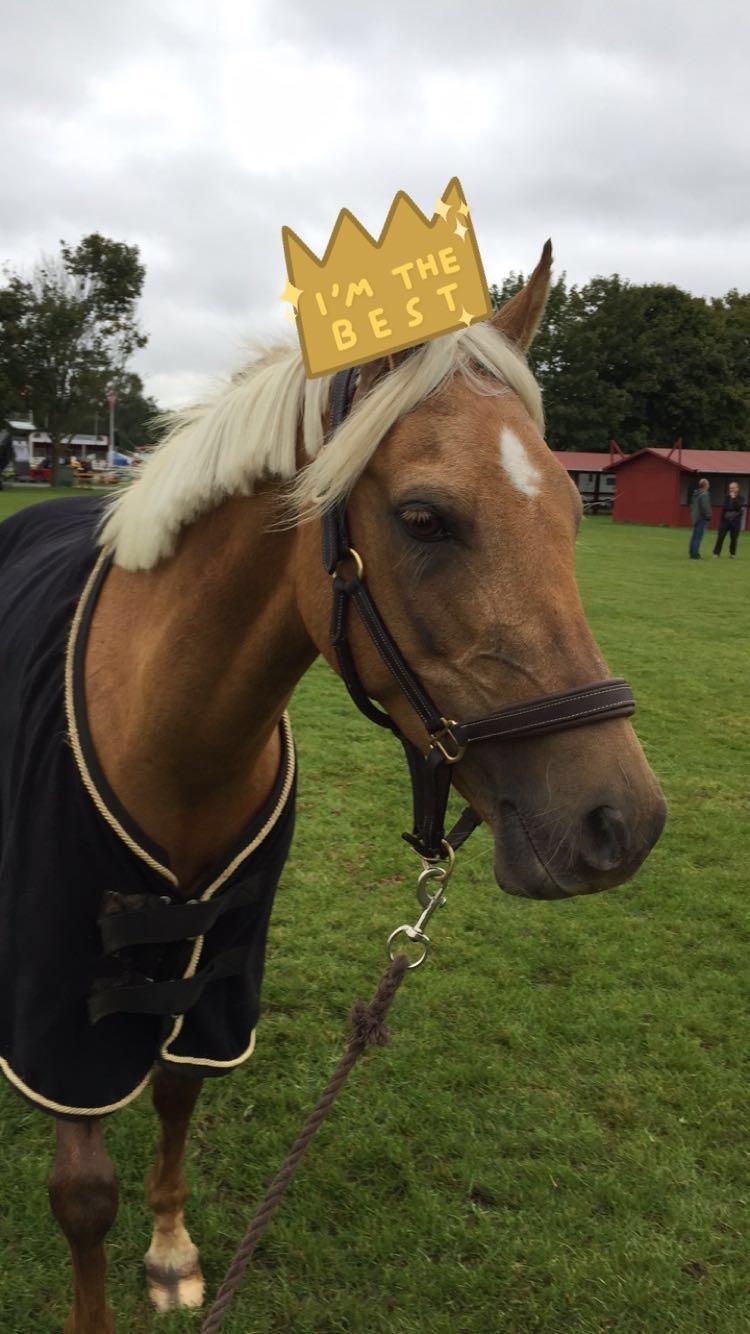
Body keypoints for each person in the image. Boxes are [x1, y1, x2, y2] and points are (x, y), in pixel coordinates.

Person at [713, 481, 745, 558]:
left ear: (737, 489)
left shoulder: (741, 498)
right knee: (720, 537)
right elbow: (724, 508)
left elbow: (738, 507)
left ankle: (732, 554)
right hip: (725, 521)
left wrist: (734, 499)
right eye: (730, 488)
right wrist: (721, 520)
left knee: (734, 539)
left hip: (735, 521)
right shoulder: (726, 497)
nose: (731, 490)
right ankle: (716, 553)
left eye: (733, 488)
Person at [689, 478, 712, 559]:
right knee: (698, 537)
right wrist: (708, 516)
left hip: (695, 517)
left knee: (694, 536)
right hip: (702, 518)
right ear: (706, 485)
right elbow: (705, 507)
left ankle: (692, 553)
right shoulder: (704, 494)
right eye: (708, 484)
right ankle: (695, 555)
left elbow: (692, 506)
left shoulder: (695, 494)